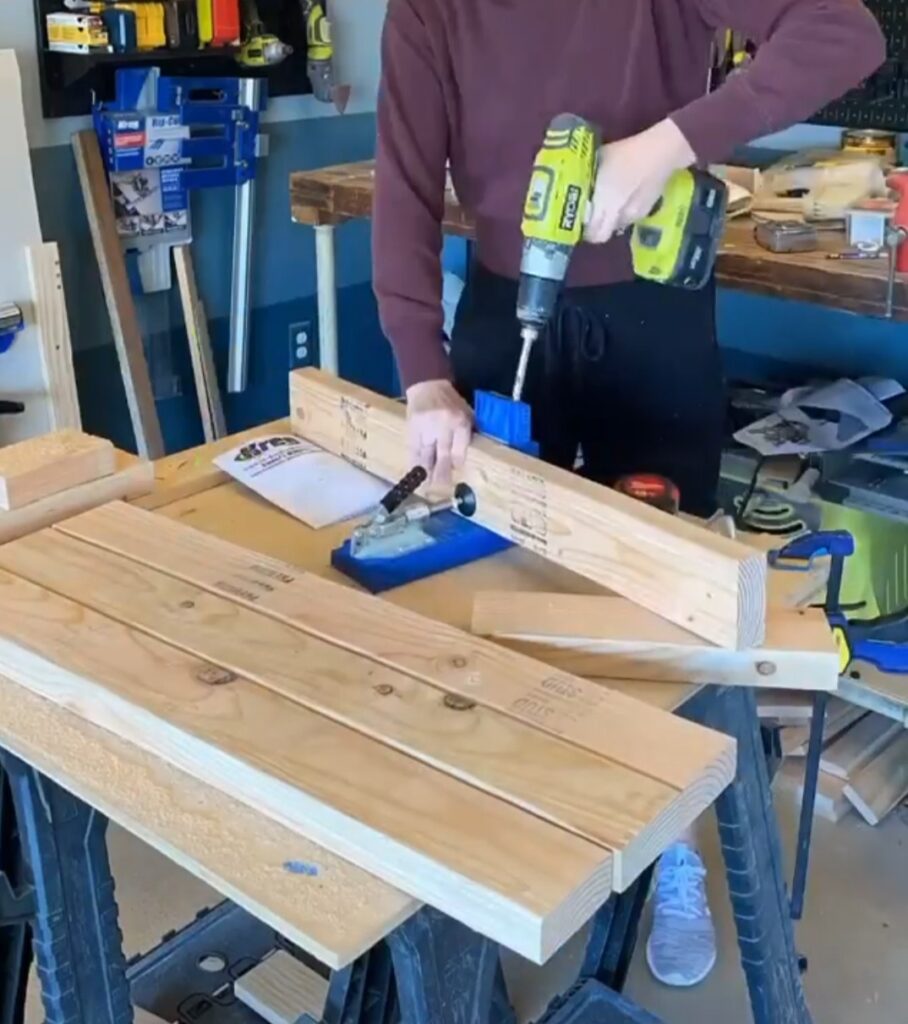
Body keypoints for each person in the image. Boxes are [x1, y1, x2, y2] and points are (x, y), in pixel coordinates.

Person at [372, 0, 885, 988]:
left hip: (651, 305)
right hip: (498, 307)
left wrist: (663, 146)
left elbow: (844, 33)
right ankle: (514, 835)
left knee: (668, 611)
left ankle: (676, 854)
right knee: (489, 596)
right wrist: (421, 371)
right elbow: (400, 181)